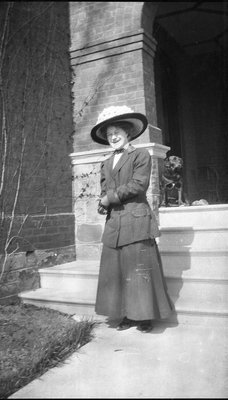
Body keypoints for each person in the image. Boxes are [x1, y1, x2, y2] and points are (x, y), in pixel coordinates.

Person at [91, 106, 173, 333]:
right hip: (115, 223)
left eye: (117, 132)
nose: (113, 137)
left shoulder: (140, 155)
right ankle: (126, 314)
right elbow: (105, 189)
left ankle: (144, 317)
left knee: (139, 270)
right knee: (117, 271)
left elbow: (138, 185)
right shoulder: (106, 163)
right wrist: (102, 201)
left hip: (136, 219)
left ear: (128, 133)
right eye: (109, 134)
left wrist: (110, 198)